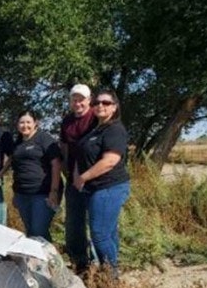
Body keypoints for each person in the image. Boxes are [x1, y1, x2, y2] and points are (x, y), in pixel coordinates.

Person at [73, 89, 130, 276]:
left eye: (106, 103)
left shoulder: (115, 129)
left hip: (109, 187)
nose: (100, 106)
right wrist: (76, 174)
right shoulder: (96, 129)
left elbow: (110, 161)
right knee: (109, 232)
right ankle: (111, 270)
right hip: (95, 189)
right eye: (97, 102)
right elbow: (80, 154)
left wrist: (83, 177)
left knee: (99, 234)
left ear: (114, 107)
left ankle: (111, 276)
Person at [60, 84, 97, 272]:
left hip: (95, 178)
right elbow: (64, 146)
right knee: (74, 222)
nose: (78, 103)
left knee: (97, 222)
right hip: (73, 179)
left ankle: (101, 264)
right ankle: (79, 262)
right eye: (74, 99)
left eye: (81, 99)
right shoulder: (67, 121)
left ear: (89, 100)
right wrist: (67, 169)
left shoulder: (96, 118)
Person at [11, 110, 62, 241]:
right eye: (22, 122)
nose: (25, 125)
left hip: (43, 193)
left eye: (28, 122)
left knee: (37, 231)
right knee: (31, 232)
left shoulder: (44, 138)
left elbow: (56, 164)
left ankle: (50, 260)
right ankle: (43, 259)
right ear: (17, 125)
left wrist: (54, 191)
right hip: (22, 194)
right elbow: (16, 169)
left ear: (35, 123)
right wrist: (15, 194)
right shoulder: (18, 143)